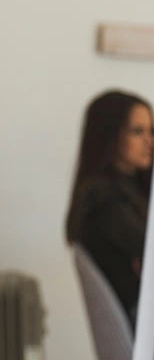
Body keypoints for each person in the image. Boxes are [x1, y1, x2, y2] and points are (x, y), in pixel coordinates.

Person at [66, 89, 154, 328]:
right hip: (139, 317)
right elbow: (147, 248)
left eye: (151, 131)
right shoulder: (102, 196)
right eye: (138, 132)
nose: (149, 141)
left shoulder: (133, 188)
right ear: (110, 136)